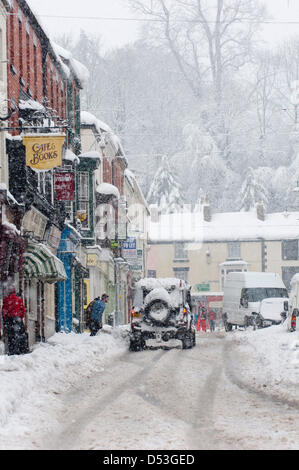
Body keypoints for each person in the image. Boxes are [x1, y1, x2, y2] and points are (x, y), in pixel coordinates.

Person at [2, 287, 27, 355]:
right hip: (17, 319)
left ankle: (12, 350)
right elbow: (23, 310)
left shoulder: (6, 300)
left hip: (9, 320)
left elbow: (4, 311)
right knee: (19, 334)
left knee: (11, 335)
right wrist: (20, 318)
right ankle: (19, 349)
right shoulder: (19, 299)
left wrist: (5, 320)